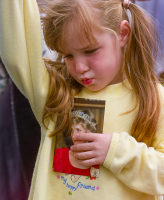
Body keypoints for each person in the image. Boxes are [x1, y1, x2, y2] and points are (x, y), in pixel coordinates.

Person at [0, 0, 164, 199]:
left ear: (123, 34)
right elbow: (17, 45)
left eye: (90, 51)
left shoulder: (154, 98)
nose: (80, 68)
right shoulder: (56, 93)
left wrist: (116, 151)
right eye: (68, 55)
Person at [53, 110, 99, 176]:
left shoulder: (97, 160)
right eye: (72, 130)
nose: (73, 135)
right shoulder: (59, 154)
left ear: (88, 132)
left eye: (78, 130)